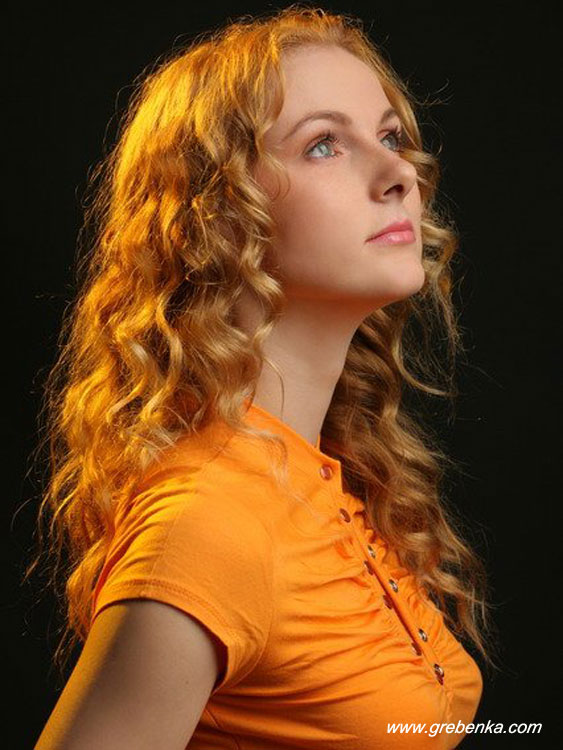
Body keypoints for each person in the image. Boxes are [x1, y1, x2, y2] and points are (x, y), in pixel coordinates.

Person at [31, 5, 496, 749]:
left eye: (388, 137)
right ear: (214, 215)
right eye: (323, 145)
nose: (398, 174)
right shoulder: (209, 524)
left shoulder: (329, 472)